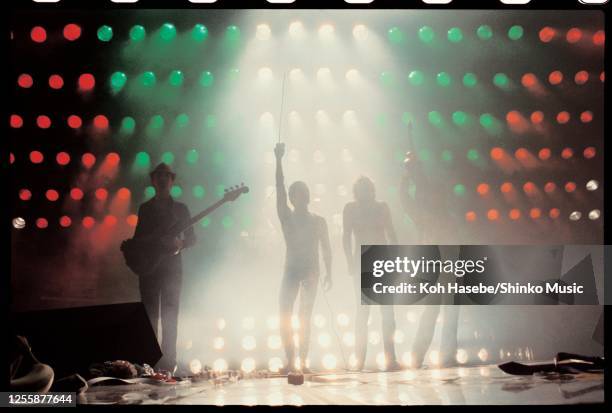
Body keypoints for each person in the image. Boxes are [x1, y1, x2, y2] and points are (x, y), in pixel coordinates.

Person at [399, 122, 460, 369]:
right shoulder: (426, 214)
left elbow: (417, 182)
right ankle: (418, 355)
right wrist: (407, 171)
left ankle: (441, 354)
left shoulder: (441, 214)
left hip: (448, 260)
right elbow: (413, 187)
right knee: (435, 309)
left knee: (448, 310)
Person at [133, 163, 196, 374]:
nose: (162, 179)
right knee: (150, 316)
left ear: (172, 180)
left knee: (170, 316)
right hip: (150, 271)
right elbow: (138, 239)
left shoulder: (181, 209)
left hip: (172, 270)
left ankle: (169, 364)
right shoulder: (145, 209)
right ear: (153, 180)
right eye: (159, 176)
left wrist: (181, 244)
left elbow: (192, 238)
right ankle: (150, 362)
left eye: (166, 176)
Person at [275, 142, 332, 373]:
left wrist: (330, 271)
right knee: (285, 314)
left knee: (305, 316)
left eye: (304, 192)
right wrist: (278, 160)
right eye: (297, 193)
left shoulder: (319, 221)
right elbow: (279, 187)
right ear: (292, 198)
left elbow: (327, 248)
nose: (301, 196)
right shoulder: (287, 217)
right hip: (291, 270)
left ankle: (303, 361)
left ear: (308, 196)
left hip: (310, 271)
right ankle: (291, 361)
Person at [343, 176, 401, 371]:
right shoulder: (350, 209)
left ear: (372, 191)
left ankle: (390, 358)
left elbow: (391, 233)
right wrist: (350, 262)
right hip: (361, 261)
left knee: (387, 312)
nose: (364, 193)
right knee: (362, 313)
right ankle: (358, 359)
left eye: (367, 189)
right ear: (355, 192)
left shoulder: (381, 207)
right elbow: (345, 236)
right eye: (360, 189)